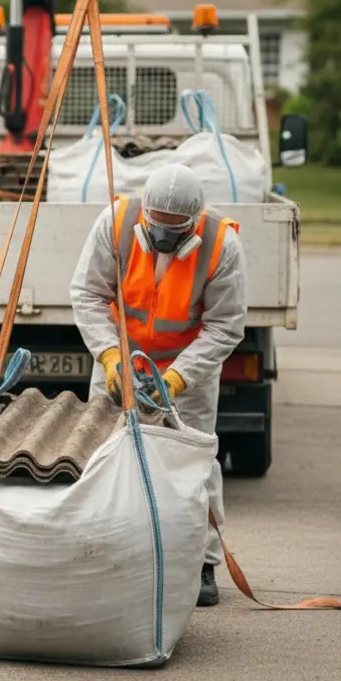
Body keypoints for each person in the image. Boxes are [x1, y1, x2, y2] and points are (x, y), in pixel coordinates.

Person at [68, 163, 248, 607]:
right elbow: (88, 294)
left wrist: (177, 377)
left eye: (175, 230)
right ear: (146, 213)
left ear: (194, 221)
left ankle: (202, 564)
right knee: (103, 453)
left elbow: (225, 327)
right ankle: (102, 548)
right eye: (158, 227)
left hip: (187, 368)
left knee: (193, 463)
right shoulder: (116, 223)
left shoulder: (222, 245)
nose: (164, 238)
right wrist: (110, 357)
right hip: (121, 358)